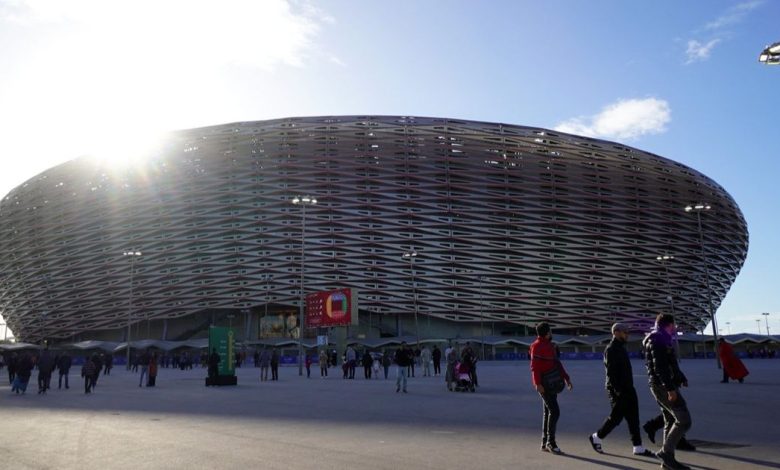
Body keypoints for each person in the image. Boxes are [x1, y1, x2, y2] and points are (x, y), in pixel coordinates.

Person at [588, 323, 654, 457]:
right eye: (625, 332)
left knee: (633, 418)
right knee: (616, 417)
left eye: (627, 332)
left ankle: (637, 446)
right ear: (616, 332)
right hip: (618, 389)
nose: (627, 334)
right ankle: (596, 437)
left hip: (628, 387)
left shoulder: (621, 347)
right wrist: (618, 391)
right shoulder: (611, 349)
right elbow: (611, 373)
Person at [643, 313, 693, 470]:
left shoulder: (660, 338)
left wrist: (681, 377)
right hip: (663, 386)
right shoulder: (657, 339)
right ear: (669, 325)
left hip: (662, 384)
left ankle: (667, 462)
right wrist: (670, 389)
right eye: (674, 325)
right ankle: (666, 453)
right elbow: (660, 367)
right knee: (684, 420)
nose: (675, 327)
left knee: (670, 420)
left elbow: (670, 363)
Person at [530, 322, 572, 455]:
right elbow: (534, 367)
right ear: (547, 332)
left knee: (548, 411)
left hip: (552, 382)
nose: (551, 333)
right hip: (544, 384)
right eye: (550, 331)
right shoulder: (536, 346)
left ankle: (544, 443)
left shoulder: (551, 345)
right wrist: (537, 384)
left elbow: (557, 363)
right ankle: (551, 442)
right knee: (555, 411)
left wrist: (566, 378)